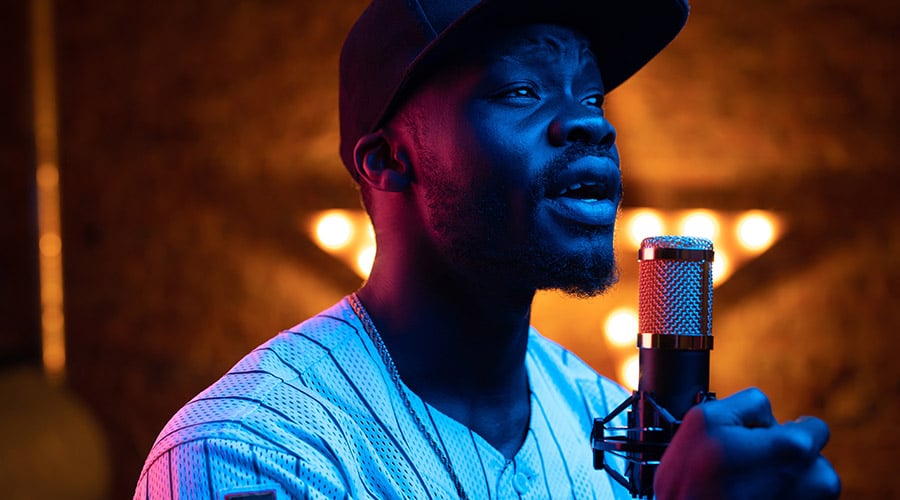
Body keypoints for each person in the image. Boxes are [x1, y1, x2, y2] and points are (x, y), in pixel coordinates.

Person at [134, 1, 841, 498]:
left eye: (592, 97)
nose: (591, 126)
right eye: (523, 89)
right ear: (386, 162)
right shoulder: (246, 453)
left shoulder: (612, 423)